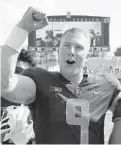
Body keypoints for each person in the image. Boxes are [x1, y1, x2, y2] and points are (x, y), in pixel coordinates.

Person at [1, 7, 121, 144]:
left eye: (79, 47)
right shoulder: (40, 80)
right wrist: (22, 28)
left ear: (87, 56)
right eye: (66, 45)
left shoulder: (106, 86)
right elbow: (5, 85)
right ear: (58, 53)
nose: (71, 51)